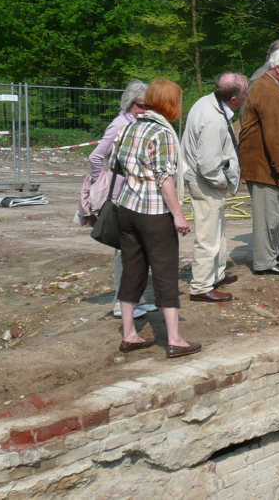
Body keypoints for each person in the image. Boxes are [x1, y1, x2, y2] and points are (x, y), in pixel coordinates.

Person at [112, 79, 200, 358]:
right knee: (165, 272)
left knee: (132, 270)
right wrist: (178, 215)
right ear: (170, 103)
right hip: (154, 212)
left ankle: (129, 335)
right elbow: (165, 178)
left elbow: (114, 163)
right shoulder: (162, 133)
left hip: (126, 209)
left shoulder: (129, 126)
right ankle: (174, 339)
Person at [75, 79, 157, 319]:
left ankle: (135, 299)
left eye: (148, 106)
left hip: (132, 194)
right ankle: (122, 303)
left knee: (136, 250)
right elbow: (95, 157)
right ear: (130, 104)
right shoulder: (119, 124)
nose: (145, 110)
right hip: (119, 196)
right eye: (141, 106)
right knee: (125, 251)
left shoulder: (137, 124)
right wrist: (104, 181)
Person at [181, 73, 249, 303]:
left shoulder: (208, 103)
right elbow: (209, 166)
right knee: (208, 235)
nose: (247, 96)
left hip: (206, 179)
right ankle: (200, 286)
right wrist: (222, 183)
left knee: (217, 231)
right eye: (245, 93)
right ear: (233, 98)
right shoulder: (213, 119)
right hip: (206, 182)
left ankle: (216, 274)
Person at [239, 45, 279, 275]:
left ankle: (270, 257)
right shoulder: (267, 91)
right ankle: (264, 263)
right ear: (278, 68)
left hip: (267, 166)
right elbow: (274, 134)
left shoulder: (271, 88)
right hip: (265, 167)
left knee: (271, 214)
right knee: (267, 216)